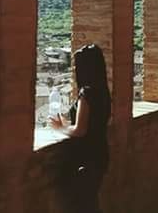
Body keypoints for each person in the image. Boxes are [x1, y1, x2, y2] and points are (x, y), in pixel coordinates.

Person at [49, 44, 111, 213]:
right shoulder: (103, 91)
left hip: (86, 158)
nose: (75, 69)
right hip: (100, 154)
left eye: (78, 65)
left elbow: (80, 130)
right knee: (90, 203)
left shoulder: (87, 94)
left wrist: (60, 127)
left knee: (82, 205)